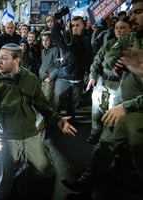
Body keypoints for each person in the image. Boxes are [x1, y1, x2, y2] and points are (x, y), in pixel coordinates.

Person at [62, 0, 143, 197]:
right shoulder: (132, 38)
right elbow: (109, 56)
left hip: (137, 111)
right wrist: (119, 62)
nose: (131, 17)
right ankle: (86, 183)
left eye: (138, 12)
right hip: (121, 107)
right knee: (105, 145)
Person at [0, 43, 77, 200]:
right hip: (6, 138)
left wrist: (58, 120)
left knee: (46, 171)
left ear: (17, 61)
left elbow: (41, 103)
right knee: (2, 185)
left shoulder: (30, 78)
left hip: (30, 135)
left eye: (4, 58)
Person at [85, 16, 132, 144]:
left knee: (112, 112)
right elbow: (97, 61)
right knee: (96, 109)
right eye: (117, 27)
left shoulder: (133, 45)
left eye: (123, 28)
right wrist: (93, 76)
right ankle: (95, 132)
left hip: (119, 85)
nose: (119, 30)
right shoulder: (110, 44)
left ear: (130, 29)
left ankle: (108, 138)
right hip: (102, 83)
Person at [52, 15, 93, 119]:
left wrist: (87, 72)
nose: (74, 27)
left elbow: (89, 58)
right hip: (64, 76)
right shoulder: (66, 38)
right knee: (57, 99)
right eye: (72, 25)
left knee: (74, 104)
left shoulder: (86, 41)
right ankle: (54, 121)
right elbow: (56, 37)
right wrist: (57, 22)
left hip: (78, 77)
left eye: (77, 25)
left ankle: (70, 122)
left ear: (83, 26)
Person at [39, 30, 61, 103]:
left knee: (47, 99)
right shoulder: (43, 51)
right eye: (43, 40)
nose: (45, 42)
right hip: (43, 79)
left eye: (47, 40)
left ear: (51, 40)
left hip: (50, 80)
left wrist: (50, 77)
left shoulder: (55, 50)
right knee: (42, 98)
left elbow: (57, 67)